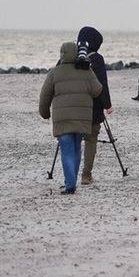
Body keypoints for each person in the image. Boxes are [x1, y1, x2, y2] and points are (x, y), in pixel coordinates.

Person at [39, 41, 103, 194]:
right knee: (76, 149)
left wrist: (45, 113)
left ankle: (70, 184)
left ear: (61, 54)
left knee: (67, 150)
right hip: (82, 119)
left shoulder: (54, 73)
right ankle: (71, 181)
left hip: (63, 120)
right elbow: (97, 90)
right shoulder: (86, 71)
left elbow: (44, 95)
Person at [75, 27, 112, 185]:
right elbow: (102, 84)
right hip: (93, 108)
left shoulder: (69, 56)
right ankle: (86, 175)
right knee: (91, 140)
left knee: (73, 140)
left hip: (72, 108)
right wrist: (108, 105)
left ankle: (71, 175)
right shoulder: (96, 59)